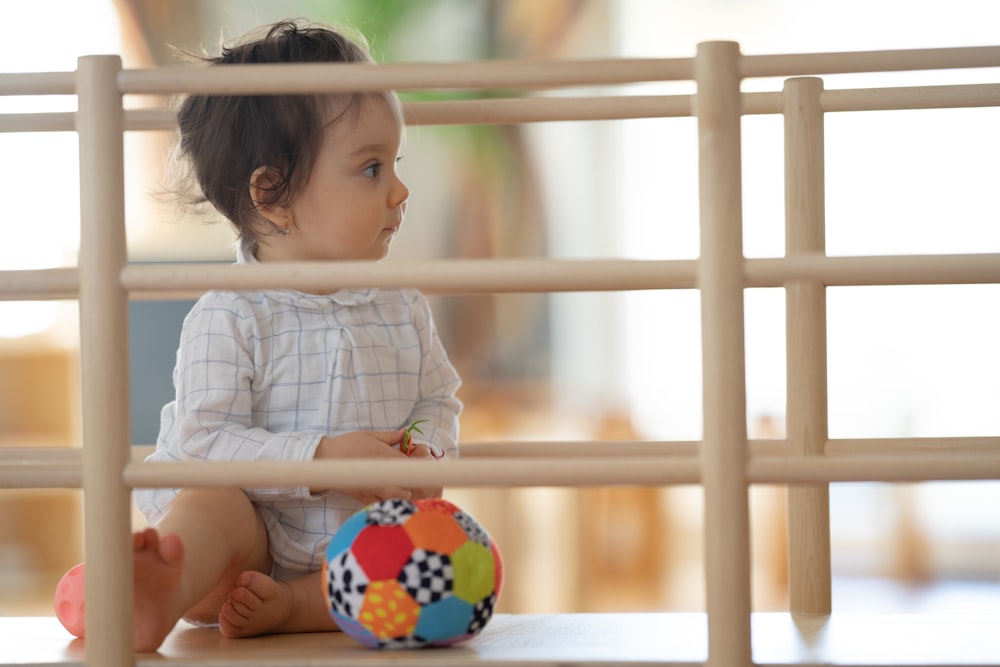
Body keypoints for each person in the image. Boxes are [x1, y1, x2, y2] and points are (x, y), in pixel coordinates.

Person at [129, 20, 462, 652]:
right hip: (240, 548)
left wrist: (426, 451)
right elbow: (202, 440)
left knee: (445, 555)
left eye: (394, 164)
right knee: (210, 504)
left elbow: (438, 398)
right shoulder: (230, 313)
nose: (400, 190)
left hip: (361, 548)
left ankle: (294, 607)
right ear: (273, 195)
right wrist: (327, 458)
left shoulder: (402, 304)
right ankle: (156, 595)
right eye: (370, 169)